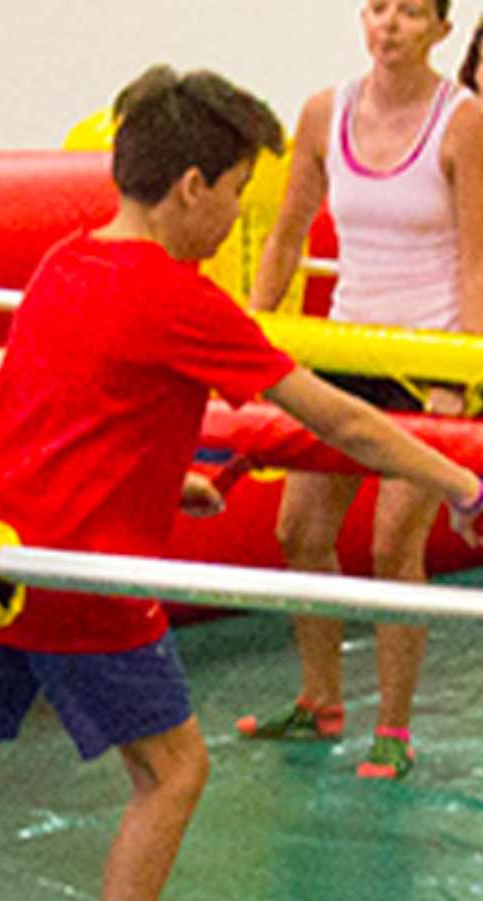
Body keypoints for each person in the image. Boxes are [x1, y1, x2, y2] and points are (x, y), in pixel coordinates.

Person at [0, 66, 483, 901]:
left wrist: (165, 476)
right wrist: (461, 481)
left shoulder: (65, 260)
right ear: (193, 186)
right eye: (233, 195)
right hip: (79, 576)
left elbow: (53, 410)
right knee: (175, 770)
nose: (234, 218)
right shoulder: (178, 294)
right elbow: (342, 424)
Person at [236, 0, 483, 779]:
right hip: (343, 352)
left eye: (412, 13)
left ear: (442, 30)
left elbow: (478, 261)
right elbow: (287, 233)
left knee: (391, 542)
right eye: (379, 7)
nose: (390, 26)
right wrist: (248, 341)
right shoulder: (322, 112)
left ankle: (397, 726)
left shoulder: (464, 121)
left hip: (426, 359)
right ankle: (320, 701)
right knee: (298, 531)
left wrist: (459, 378)